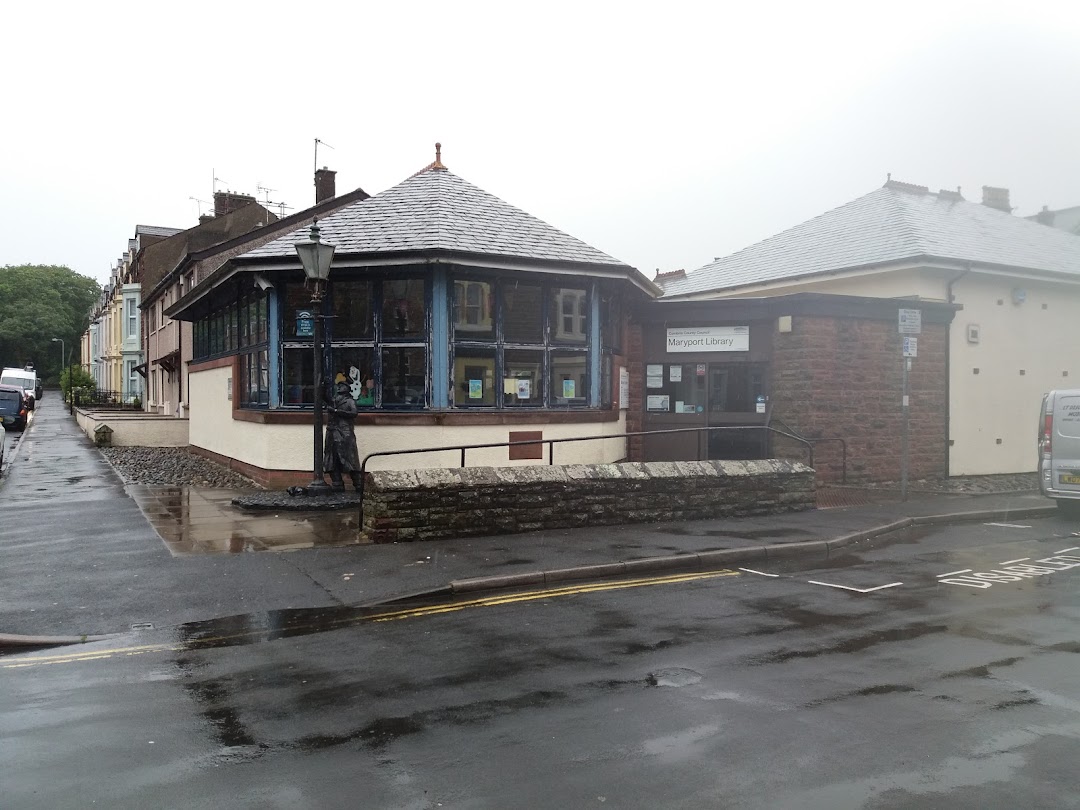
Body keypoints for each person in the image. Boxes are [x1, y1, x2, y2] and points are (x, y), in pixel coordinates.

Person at [324, 379, 362, 491]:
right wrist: (322, 388)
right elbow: (325, 398)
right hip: (332, 431)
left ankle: (358, 485)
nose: (339, 387)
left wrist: (337, 411)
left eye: (342, 386)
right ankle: (337, 484)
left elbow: (354, 413)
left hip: (345, 432)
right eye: (338, 386)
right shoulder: (334, 400)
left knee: (349, 458)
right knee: (332, 458)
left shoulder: (350, 401)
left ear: (347, 389)